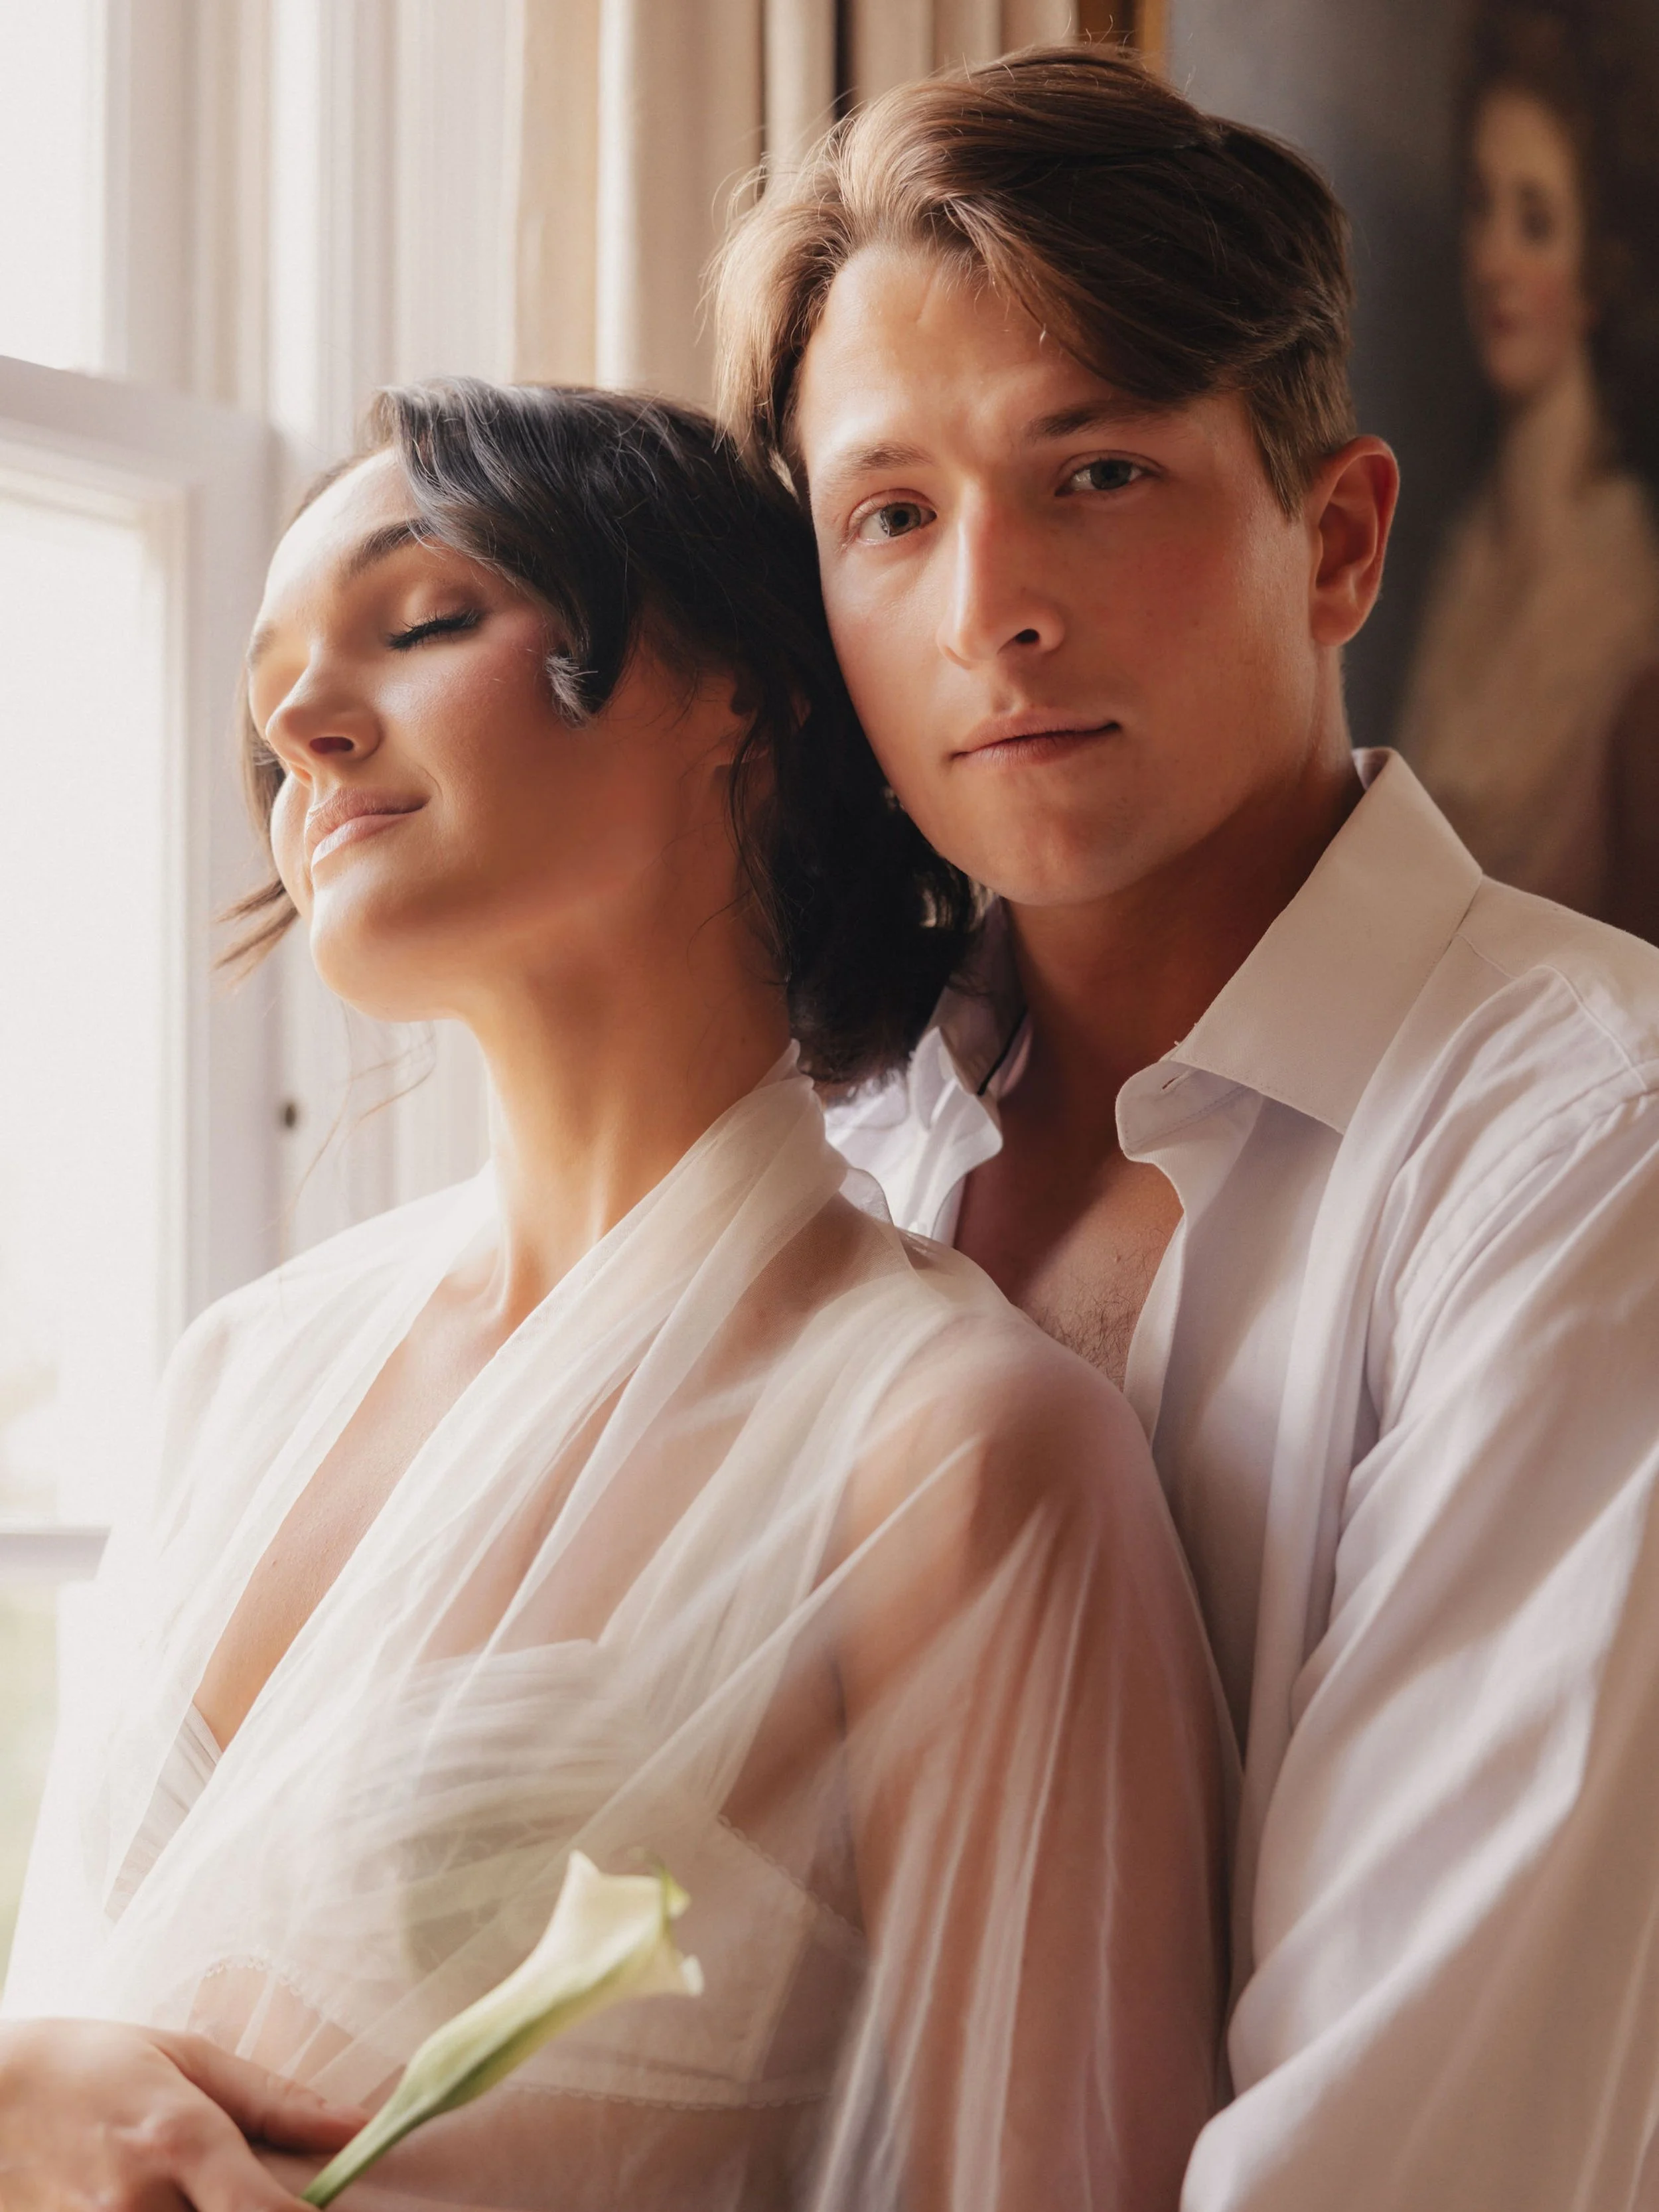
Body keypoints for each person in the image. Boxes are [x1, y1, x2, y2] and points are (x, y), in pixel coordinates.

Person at [0, 382, 1227, 2209]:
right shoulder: (233, 1377)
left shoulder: (951, 1456)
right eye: (272, 705)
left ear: (740, 688)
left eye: (419, 622)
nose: (306, 724)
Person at [715, 42, 1659, 2212]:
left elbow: (1428, 2150)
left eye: (1100, 473)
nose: (992, 610)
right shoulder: (818, 1153)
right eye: (892, 515)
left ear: (1336, 541)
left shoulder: (1590, 1150)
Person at [1396, 0, 1659, 939]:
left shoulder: (1627, 592)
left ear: (1601, 265)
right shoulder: (1468, 542)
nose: (1495, 258)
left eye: (1537, 220)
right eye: (1481, 206)